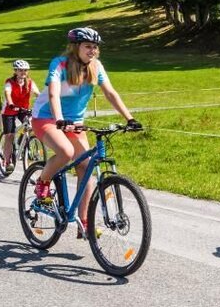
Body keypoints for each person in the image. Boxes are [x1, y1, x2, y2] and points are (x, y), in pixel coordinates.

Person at [31, 26, 141, 238]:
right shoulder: (60, 64)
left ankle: (85, 223)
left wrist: (130, 118)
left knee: (86, 167)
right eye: (88, 46)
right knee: (65, 151)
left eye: (95, 47)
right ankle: (43, 182)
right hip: (46, 117)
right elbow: (53, 94)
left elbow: (110, 92)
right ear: (75, 47)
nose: (92, 51)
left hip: (76, 122)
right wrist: (60, 119)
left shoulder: (96, 67)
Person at [0, 59, 40, 174]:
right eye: (21, 70)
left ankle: (23, 143)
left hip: (23, 109)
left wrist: (44, 103)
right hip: (9, 110)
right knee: (10, 135)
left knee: (31, 125)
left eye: (25, 70)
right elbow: (7, 93)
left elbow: (38, 94)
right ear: (15, 71)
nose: (23, 72)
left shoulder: (30, 82)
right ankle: (8, 161)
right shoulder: (9, 82)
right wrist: (11, 104)